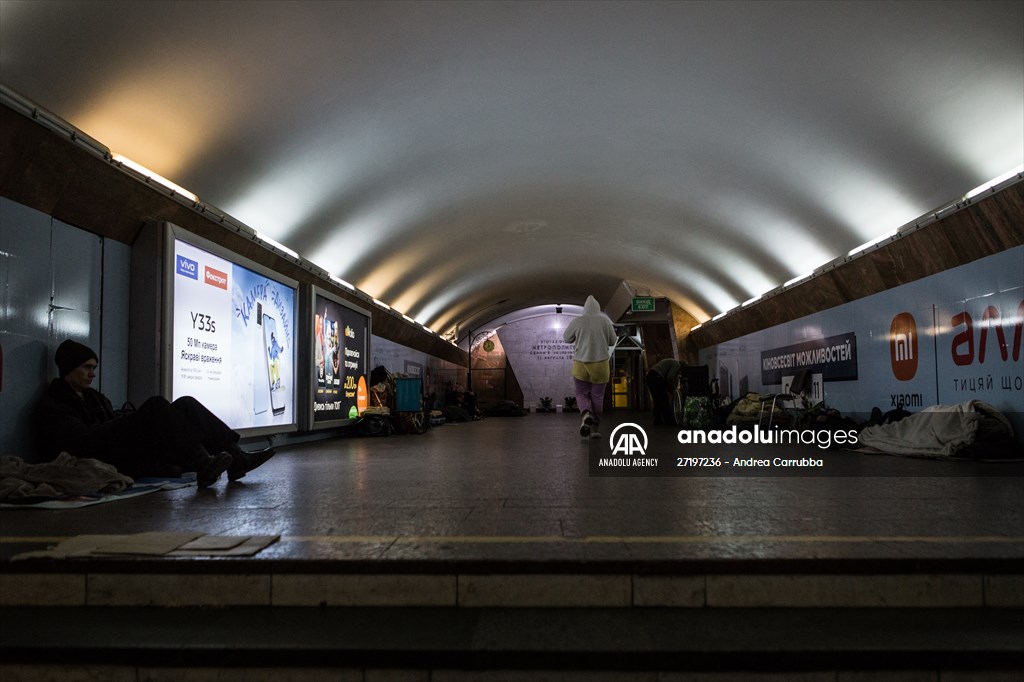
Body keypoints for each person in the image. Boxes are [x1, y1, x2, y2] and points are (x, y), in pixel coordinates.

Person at [34, 340, 275, 488]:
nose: (92, 374)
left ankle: (237, 458)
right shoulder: (55, 402)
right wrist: (126, 422)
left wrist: (124, 420)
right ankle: (202, 463)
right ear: (69, 368)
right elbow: (81, 442)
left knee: (186, 403)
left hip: (112, 444)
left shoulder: (93, 397)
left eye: (94, 368)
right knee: (156, 405)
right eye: (86, 368)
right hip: (99, 452)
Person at [562, 295, 617, 438]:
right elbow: (612, 341)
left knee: (581, 393)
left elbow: (566, 338)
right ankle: (595, 427)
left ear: (585, 309)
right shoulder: (605, 322)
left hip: (580, 364)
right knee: (597, 396)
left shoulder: (578, 321)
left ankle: (586, 413)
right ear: (598, 308)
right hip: (601, 364)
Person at [646, 357, 685, 426]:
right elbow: (670, 378)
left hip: (651, 376)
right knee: (664, 399)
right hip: (656, 377)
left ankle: (657, 420)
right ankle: (668, 421)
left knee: (657, 399)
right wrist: (672, 390)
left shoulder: (672, 362)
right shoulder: (677, 365)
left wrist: (669, 389)